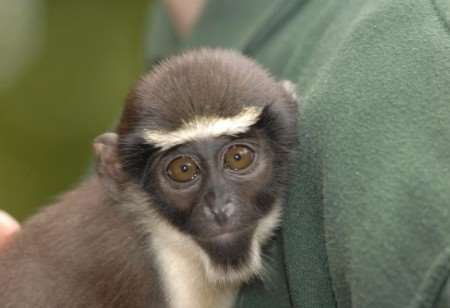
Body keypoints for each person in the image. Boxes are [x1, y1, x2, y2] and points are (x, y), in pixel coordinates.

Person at [3, 1, 450, 307]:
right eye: (182, 170)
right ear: (116, 172)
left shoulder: (409, 48)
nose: (220, 207)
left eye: (238, 159)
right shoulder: (122, 199)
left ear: (289, 119)